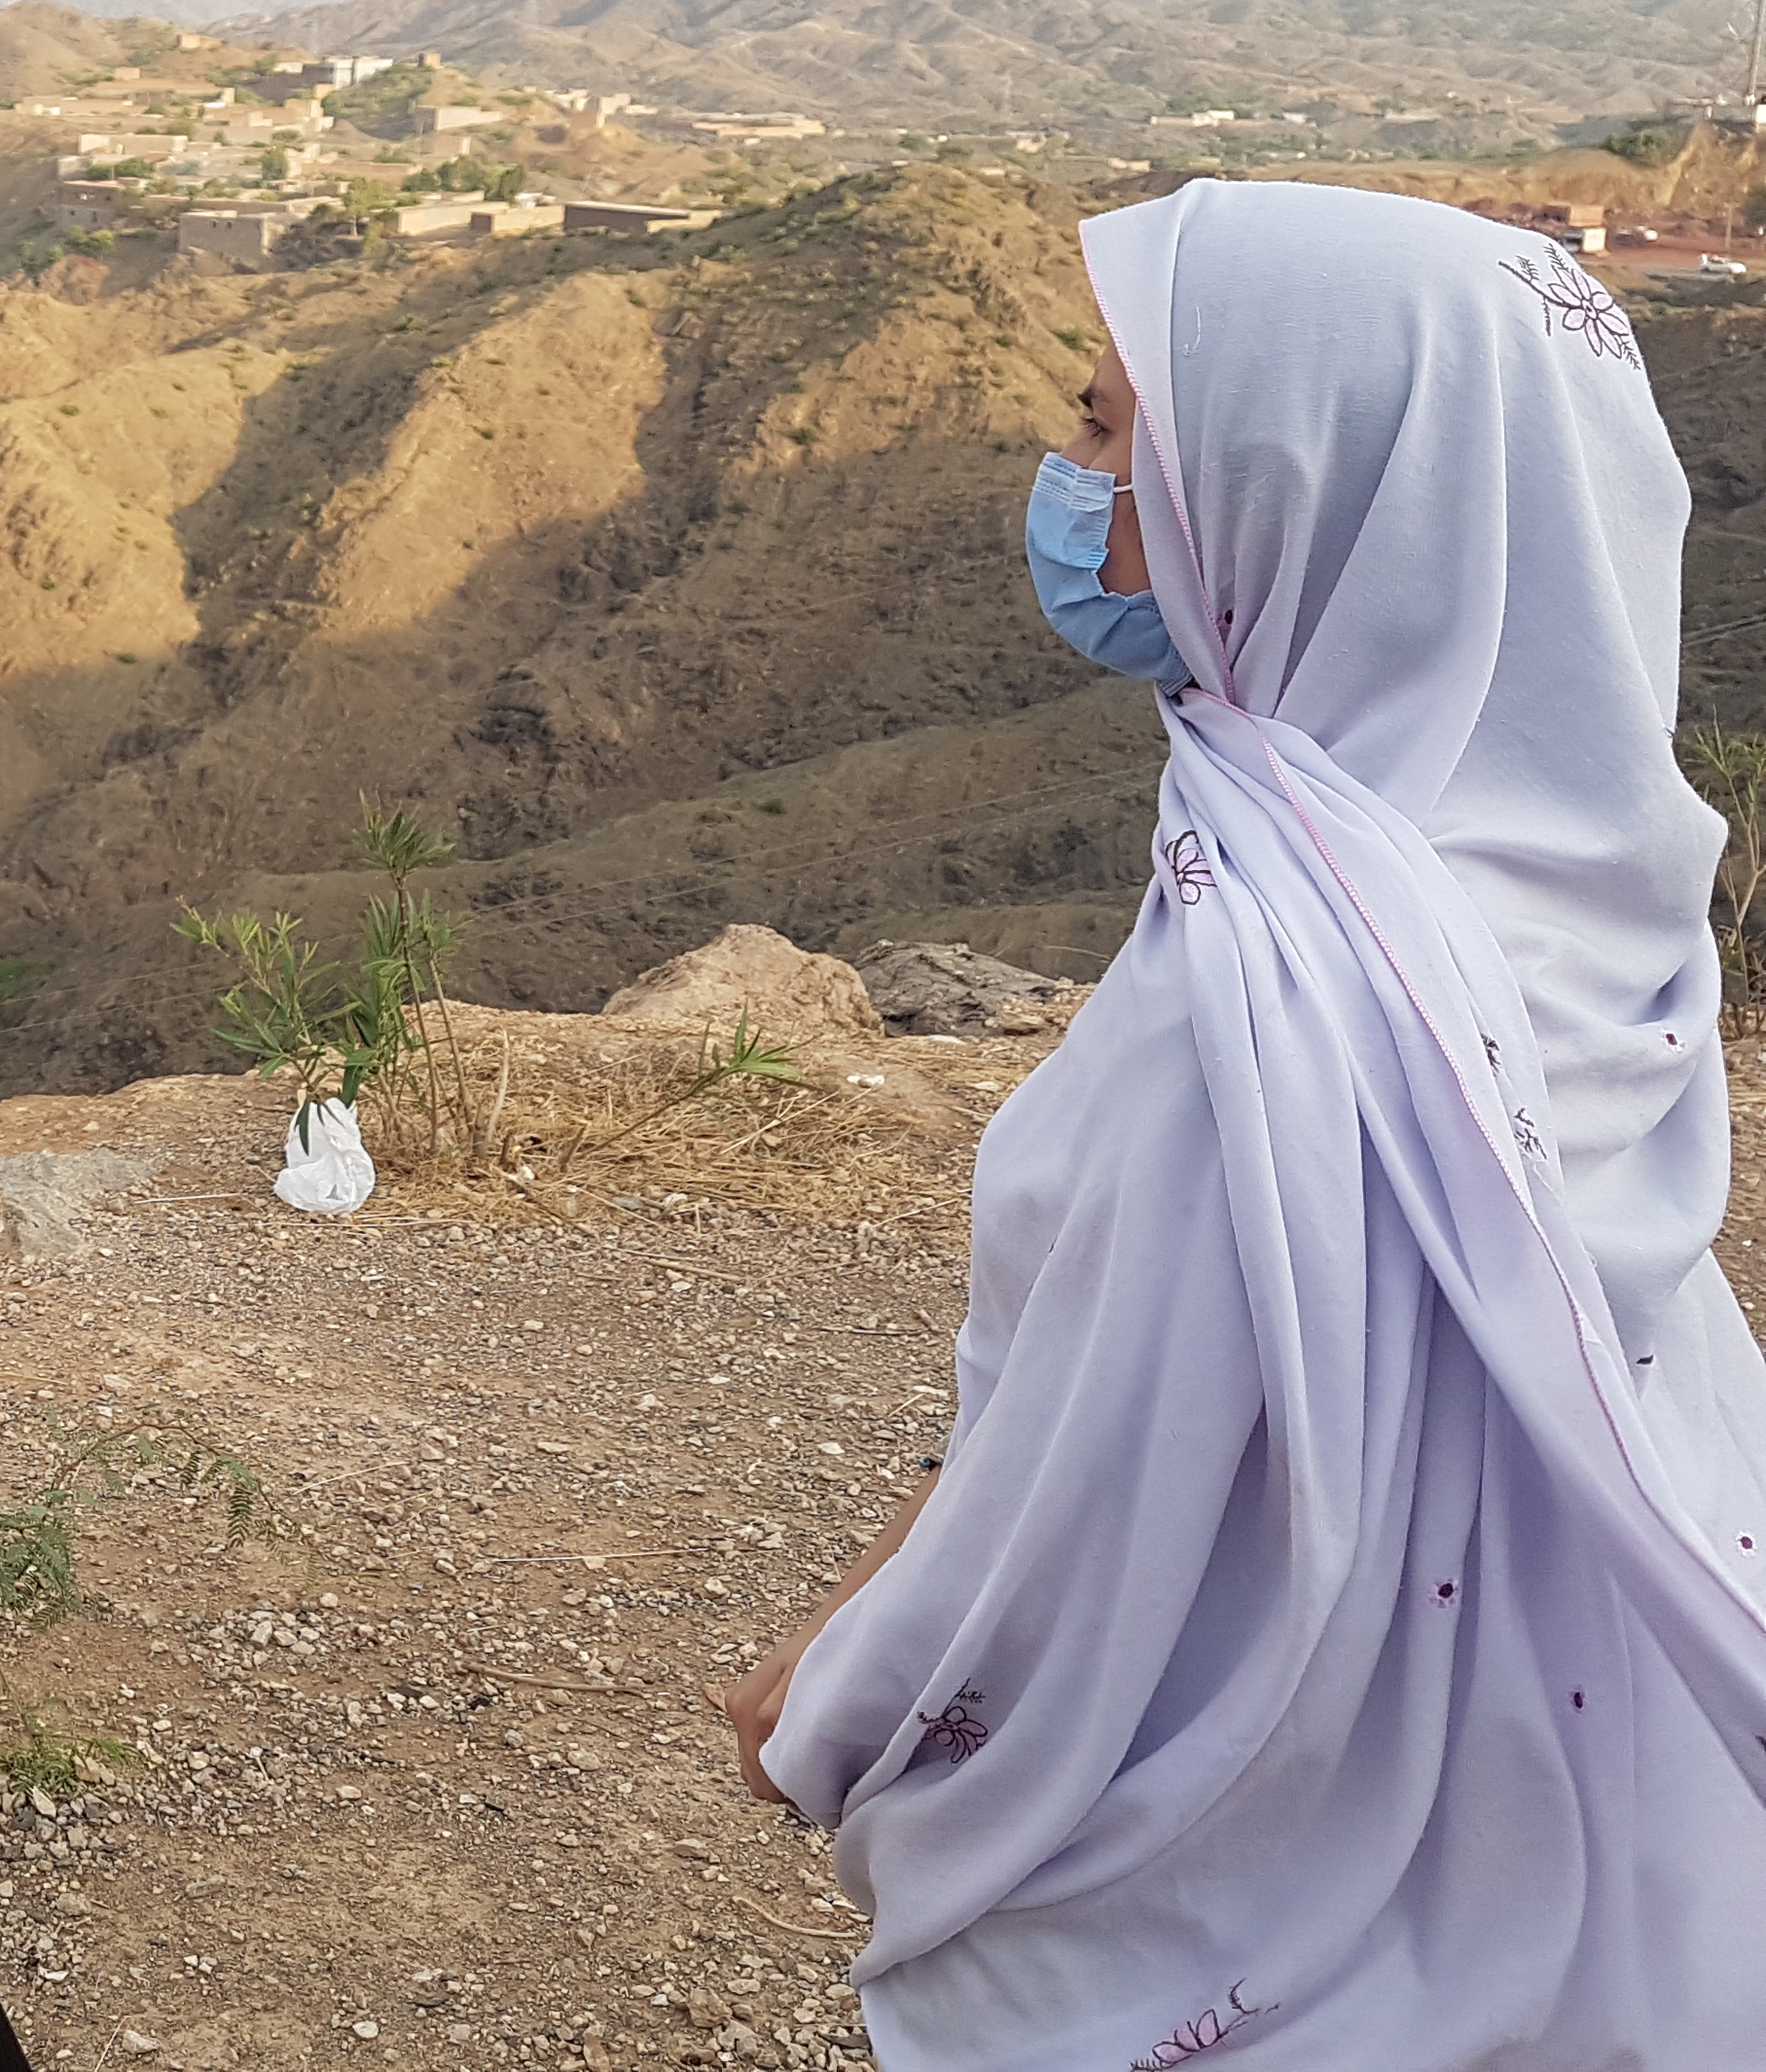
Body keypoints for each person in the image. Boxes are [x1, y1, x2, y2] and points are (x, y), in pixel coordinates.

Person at [714, 179, 1766, 2069]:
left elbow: (1092, 1483)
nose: (1067, 477)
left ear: (1304, 489)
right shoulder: (1603, 906)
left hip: (1277, 1910)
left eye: (1111, 427)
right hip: (1585, 1836)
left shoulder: (1273, 995)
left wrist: (852, 1690)